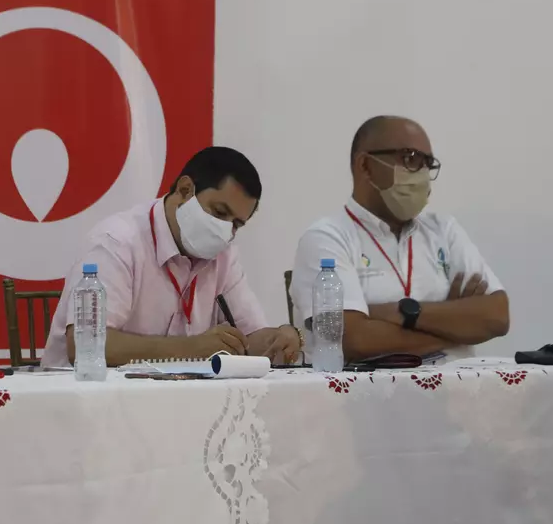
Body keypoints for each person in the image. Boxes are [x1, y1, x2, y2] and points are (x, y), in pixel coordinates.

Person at [41, 146, 301, 368]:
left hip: (170, 399)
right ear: (185, 190)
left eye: (236, 224)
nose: (225, 231)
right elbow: (86, 345)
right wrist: (192, 348)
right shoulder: (117, 242)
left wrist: (280, 337)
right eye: (219, 212)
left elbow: (248, 338)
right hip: (87, 400)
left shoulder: (223, 255)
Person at [291, 116, 509, 363]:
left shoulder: (444, 230)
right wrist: (456, 328)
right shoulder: (326, 238)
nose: (422, 173)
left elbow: (498, 315)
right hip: (370, 387)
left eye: (428, 163)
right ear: (365, 165)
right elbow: (353, 340)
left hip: (456, 383)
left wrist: (400, 313)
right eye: (410, 159)